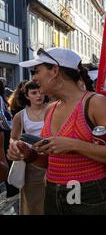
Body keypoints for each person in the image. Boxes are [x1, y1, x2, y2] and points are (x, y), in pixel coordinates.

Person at [7, 48, 106, 215]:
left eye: (37, 71)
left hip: (89, 193)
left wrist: (74, 144)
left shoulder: (95, 103)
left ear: (55, 70)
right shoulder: (50, 109)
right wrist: (28, 154)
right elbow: (48, 162)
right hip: (53, 192)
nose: (34, 78)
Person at [10, 81, 47, 215]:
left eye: (41, 92)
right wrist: (16, 145)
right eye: (34, 93)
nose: (39, 96)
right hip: (30, 162)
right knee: (31, 202)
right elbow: (13, 137)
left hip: (51, 159)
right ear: (26, 95)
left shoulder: (52, 109)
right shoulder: (20, 115)